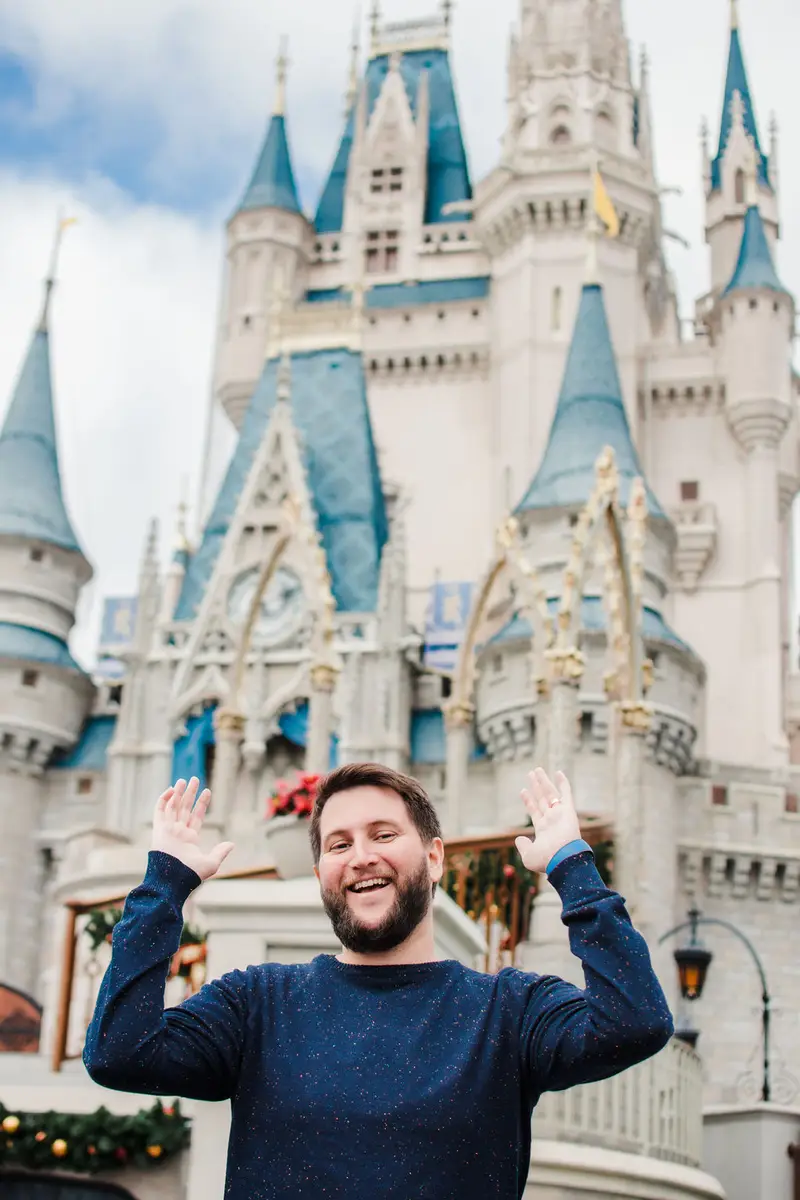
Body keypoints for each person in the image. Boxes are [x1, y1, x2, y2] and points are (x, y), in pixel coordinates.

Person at [84, 763, 673, 1199]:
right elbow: (118, 1053)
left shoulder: (508, 1010)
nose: (360, 855)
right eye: (339, 844)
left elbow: (636, 1021)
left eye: (384, 834)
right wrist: (165, 885)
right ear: (321, 875)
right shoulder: (256, 1003)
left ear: (435, 857)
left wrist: (571, 863)